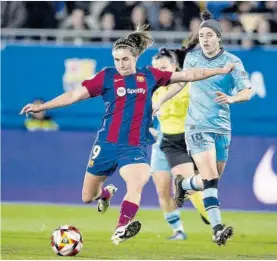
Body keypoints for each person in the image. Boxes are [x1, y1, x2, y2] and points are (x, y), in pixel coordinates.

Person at [20, 24, 235, 246]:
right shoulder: (106, 77)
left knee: (137, 183)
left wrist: (218, 70)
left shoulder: (150, 76)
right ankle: (104, 195)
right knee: (87, 197)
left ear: (135, 58)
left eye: (125, 59)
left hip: (134, 148)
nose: (121, 64)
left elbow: (189, 74)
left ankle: (120, 227)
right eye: (117, 60)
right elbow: (74, 95)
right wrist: (43, 106)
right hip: (106, 145)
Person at [152, 11, 252, 246]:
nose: (205, 39)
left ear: (219, 37)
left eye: (209, 35)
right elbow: (181, 83)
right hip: (196, 128)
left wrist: (232, 99)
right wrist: (161, 101)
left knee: (210, 178)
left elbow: (247, 91)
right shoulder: (192, 59)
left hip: (222, 129)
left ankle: (184, 184)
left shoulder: (233, 62)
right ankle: (217, 228)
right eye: (202, 35)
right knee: (209, 178)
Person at [150, 44, 211, 241]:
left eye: (164, 66)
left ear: (175, 66)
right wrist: (147, 129)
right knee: (162, 191)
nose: (160, 71)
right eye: (157, 67)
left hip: (182, 143)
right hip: (161, 144)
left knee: (189, 186)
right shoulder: (152, 90)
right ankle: (178, 230)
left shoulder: (187, 84)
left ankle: (210, 216)